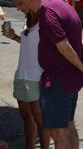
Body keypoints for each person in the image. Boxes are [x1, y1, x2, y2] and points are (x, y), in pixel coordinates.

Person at [12, 0, 83, 149]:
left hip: (58, 80)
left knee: (59, 133)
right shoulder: (64, 5)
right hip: (69, 80)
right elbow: (81, 39)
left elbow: (64, 46)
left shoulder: (47, 12)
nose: (22, 7)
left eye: (21, 2)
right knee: (68, 126)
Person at [2, 10, 50, 149]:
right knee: (27, 118)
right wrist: (14, 36)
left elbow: (52, 48)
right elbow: (29, 43)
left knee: (40, 119)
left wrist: (46, 74)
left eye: (20, 2)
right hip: (21, 74)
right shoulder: (27, 18)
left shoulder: (45, 20)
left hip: (36, 76)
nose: (17, 7)